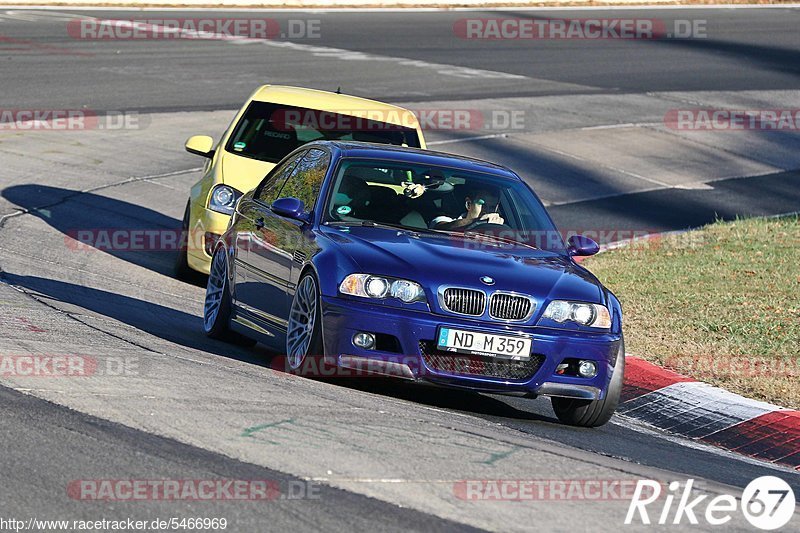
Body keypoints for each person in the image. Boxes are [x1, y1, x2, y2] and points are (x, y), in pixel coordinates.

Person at [430, 187, 504, 230]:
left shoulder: (499, 230)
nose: (486, 211)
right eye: (482, 205)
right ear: (469, 204)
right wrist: (478, 222)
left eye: (492, 207)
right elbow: (441, 227)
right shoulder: (445, 220)